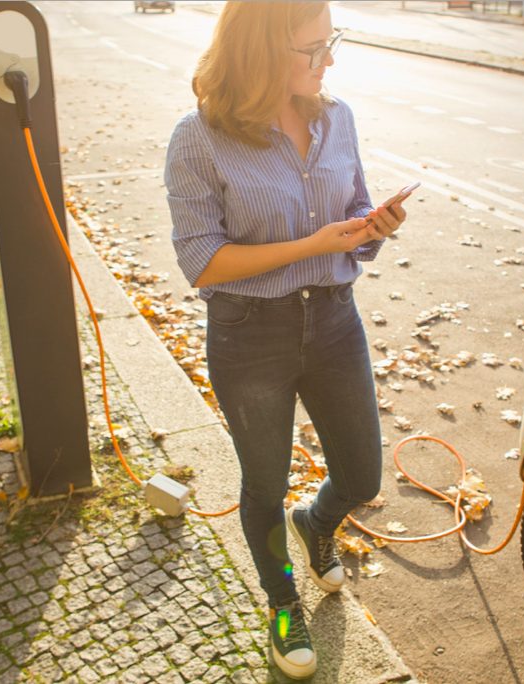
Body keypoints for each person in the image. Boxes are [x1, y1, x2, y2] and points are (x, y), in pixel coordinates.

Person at [164, 2, 405, 679]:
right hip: (250, 334)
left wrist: (372, 225)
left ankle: (318, 522)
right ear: (261, 52)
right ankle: (280, 602)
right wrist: (310, 245)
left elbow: (351, 211)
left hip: (334, 320)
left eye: (333, 41)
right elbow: (202, 262)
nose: (329, 59)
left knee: (361, 473)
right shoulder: (199, 137)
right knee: (264, 482)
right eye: (314, 46)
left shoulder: (338, 117)